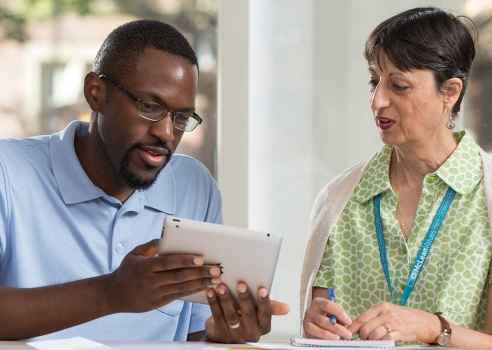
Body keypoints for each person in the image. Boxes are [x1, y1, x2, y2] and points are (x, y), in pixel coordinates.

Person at [0, 19, 288, 343]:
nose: (166, 133)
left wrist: (220, 334)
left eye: (181, 118)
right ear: (96, 93)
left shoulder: (193, 187)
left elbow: (194, 335)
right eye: (150, 107)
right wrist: (111, 293)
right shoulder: (8, 172)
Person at [300, 7, 492, 350]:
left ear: (450, 92)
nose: (378, 101)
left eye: (399, 85)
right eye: (375, 81)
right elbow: (320, 322)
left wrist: (432, 328)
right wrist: (316, 323)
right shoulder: (338, 201)